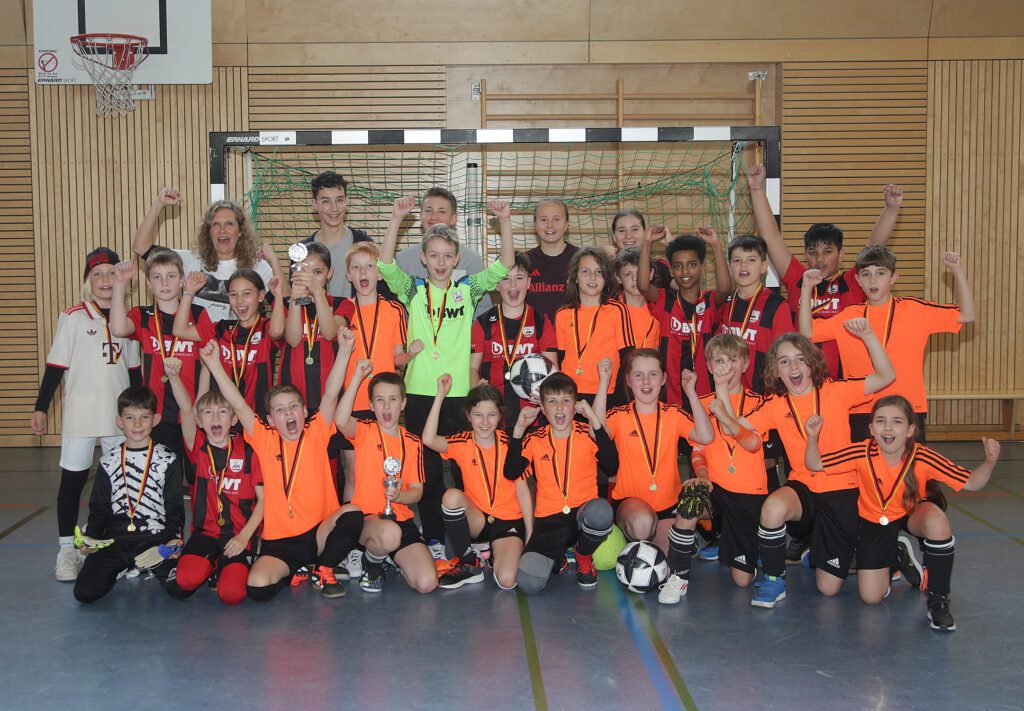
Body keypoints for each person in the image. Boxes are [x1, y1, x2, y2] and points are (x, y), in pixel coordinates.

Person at [378, 196, 515, 557]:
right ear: (423, 258)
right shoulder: (413, 290)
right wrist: (395, 219)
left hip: (458, 395)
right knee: (428, 470)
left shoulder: (467, 289)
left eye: (447, 256)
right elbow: (385, 264)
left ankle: (475, 536)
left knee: (467, 467)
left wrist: (504, 221)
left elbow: (506, 263)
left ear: (457, 260)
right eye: (434, 255)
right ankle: (436, 540)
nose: (440, 262)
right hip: (420, 392)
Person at [805, 395, 1001, 631]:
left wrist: (989, 462)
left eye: (897, 421)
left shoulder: (922, 456)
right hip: (875, 521)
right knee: (871, 598)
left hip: (911, 512)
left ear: (910, 430)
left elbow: (971, 482)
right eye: (881, 421)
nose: (888, 427)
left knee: (937, 522)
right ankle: (897, 554)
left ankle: (938, 600)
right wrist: (813, 437)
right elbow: (814, 464)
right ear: (871, 429)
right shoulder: (860, 453)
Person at [737, 329, 895, 608]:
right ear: (775, 370)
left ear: (812, 364)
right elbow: (736, 426)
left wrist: (869, 336)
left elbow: (886, 376)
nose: (793, 367)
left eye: (800, 359)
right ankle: (773, 580)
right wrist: (722, 387)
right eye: (784, 361)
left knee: (828, 589)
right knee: (773, 507)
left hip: (841, 490)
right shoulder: (775, 405)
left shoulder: (836, 391)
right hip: (804, 488)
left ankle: (886, 551)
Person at [199, 331, 351, 602]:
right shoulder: (264, 438)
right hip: (281, 541)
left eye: (293, 407)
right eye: (280, 410)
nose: (288, 413)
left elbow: (330, 393)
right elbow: (238, 404)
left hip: (319, 534)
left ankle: (323, 567)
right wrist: (214, 365)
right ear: (270, 419)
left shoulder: (316, 431)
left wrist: (345, 350)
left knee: (352, 515)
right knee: (257, 588)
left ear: (305, 412)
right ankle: (295, 570)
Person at [31, 247, 141, 582]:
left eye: (111, 273)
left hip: (119, 420)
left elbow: (134, 373)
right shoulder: (73, 317)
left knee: (121, 486)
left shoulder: (129, 321)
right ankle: (66, 549)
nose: (105, 280)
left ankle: (118, 547)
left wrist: (142, 411)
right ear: (87, 281)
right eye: (97, 274)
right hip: (80, 416)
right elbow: (55, 366)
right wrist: (41, 407)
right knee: (73, 482)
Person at [800, 247, 975, 442]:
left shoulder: (916, 310)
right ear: (858, 280)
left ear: (894, 278)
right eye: (866, 274)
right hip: (862, 409)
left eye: (880, 273)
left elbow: (967, 315)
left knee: (910, 463)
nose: (873, 281)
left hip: (906, 407)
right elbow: (807, 333)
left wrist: (957, 271)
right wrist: (806, 289)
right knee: (864, 463)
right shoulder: (849, 316)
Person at [748, 165, 902, 377]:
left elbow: (875, 245)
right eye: (813, 253)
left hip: (844, 382)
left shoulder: (853, 282)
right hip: (801, 380)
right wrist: (757, 189)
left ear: (841, 254)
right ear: (805, 254)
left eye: (828, 252)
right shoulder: (798, 278)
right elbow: (771, 237)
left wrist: (891, 209)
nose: (820, 259)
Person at [595, 351, 714, 602]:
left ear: (663, 379)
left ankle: (658, 541)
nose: (646, 382)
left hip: (667, 506)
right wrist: (603, 383)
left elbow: (705, 436)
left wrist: (691, 392)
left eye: (653, 374)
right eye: (638, 375)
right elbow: (597, 433)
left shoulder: (673, 414)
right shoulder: (620, 415)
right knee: (641, 523)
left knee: (666, 569)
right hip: (631, 504)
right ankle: (628, 535)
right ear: (628, 381)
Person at [655, 334, 767, 602]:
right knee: (691, 499)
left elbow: (753, 445)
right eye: (719, 361)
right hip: (714, 490)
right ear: (708, 366)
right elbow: (698, 451)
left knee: (742, 580)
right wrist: (702, 476)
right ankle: (678, 577)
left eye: (733, 360)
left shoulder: (759, 403)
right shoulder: (702, 403)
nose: (726, 366)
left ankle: (755, 543)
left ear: (746, 364)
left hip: (748, 494)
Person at [325, 363, 436, 594]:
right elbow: (341, 420)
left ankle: (391, 558)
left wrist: (399, 496)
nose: (386, 406)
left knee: (427, 583)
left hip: (400, 520)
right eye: (379, 400)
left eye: (393, 399)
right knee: (389, 534)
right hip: (368, 520)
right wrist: (356, 378)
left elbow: (417, 491)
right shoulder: (365, 430)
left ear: (403, 403)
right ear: (371, 405)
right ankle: (371, 560)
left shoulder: (413, 442)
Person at [161, 357, 264, 605]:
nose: (215, 417)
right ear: (199, 421)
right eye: (208, 412)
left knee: (232, 594)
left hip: (239, 535)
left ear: (234, 419)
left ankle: (222, 565)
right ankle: (211, 563)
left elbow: (265, 500)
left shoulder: (249, 451)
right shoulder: (197, 448)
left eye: (222, 412)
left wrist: (245, 537)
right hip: (206, 533)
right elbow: (187, 408)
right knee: (184, 582)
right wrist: (173, 377)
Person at [504, 373, 617, 593]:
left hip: (582, 516)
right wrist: (518, 430)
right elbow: (511, 472)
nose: (559, 408)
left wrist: (594, 419)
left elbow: (612, 466)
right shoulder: (535, 438)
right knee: (529, 583)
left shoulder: (586, 434)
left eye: (566, 401)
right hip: (549, 522)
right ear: (542, 409)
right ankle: (557, 556)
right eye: (552, 402)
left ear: (575, 407)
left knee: (601, 511)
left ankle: (583, 556)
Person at [73, 386, 185, 603]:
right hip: (116, 537)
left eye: (145, 417)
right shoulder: (109, 461)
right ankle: (124, 566)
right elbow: (99, 508)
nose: (137, 424)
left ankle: (148, 564)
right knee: (84, 593)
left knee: (181, 587)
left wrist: (171, 541)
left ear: (156, 419)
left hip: (155, 537)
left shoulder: (168, 459)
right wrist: (92, 537)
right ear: (119, 421)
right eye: (130, 417)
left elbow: (174, 506)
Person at [423, 377, 534, 590]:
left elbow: (523, 492)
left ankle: (494, 554)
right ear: (468, 416)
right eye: (478, 415)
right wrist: (440, 395)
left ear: (500, 416)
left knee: (507, 580)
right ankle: (470, 561)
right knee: (451, 497)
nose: (484, 422)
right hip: (478, 520)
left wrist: (530, 535)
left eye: (491, 415)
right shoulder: (462, 441)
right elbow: (428, 439)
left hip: (508, 522)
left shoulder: (512, 445)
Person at [335, 241, 415, 511]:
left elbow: (397, 359)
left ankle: (385, 518)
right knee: (354, 471)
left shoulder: (394, 310)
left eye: (369, 266)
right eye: (356, 267)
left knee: (385, 468)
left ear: (379, 273)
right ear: (348, 274)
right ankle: (352, 528)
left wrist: (412, 354)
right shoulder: (344, 311)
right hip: (354, 402)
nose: (363, 272)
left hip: (385, 403)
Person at [109, 250, 201, 482]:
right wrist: (119, 285)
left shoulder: (198, 314)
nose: (165, 283)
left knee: (197, 475)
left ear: (182, 280)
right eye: (157, 277)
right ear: (149, 284)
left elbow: (208, 359)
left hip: (192, 410)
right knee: (163, 476)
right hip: (159, 412)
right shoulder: (143, 315)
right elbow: (118, 329)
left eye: (171, 276)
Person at [131, 188, 274, 322]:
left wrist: (273, 260)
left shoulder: (258, 267)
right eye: (216, 225)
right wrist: (159, 204)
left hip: (243, 340)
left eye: (229, 224)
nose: (222, 230)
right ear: (208, 231)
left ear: (240, 231)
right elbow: (140, 247)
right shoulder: (189, 261)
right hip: (199, 339)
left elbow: (283, 303)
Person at [174, 269, 285, 421]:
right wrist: (188, 293)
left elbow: (277, 331)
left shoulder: (265, 328)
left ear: (260, 296)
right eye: (233, 294)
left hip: (256, 419)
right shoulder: (221, 329)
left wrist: (278, 296)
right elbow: (180, 330)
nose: (239, 301)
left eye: (246, 294)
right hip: (222, 420)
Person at [638, 226, 730, 402]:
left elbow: (725, 289)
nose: (685, 271)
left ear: (702, 267)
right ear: (671, 271)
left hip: (705, 392)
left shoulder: (709, 301)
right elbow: (643, 286)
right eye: (678, 266)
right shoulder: (666, 301)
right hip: (672, 395)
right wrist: (647, 243)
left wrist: (716, 245)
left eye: (692, 265)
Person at [471, 251, 558, 428]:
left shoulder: (541, 322)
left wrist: (546, 393)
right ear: (496, 284)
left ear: (529, 283)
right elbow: (472, 367)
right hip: (493, 417)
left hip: (532, 416)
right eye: (505, 278)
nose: (512, 284)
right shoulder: (483, 323)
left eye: (519, 278)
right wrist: (475, 388)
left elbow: (553, 370)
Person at [394, 186, 491, 316]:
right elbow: (398, 311)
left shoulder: (472, 260)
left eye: (442, 211)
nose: (434, 216)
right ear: (421, 216)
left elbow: (482, 311)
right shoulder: (403, 259)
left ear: (453, 219)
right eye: (428, 210)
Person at [554, 247, 633, 404]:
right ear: (575, 277)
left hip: (608, 393)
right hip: (571, 394)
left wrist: (619, 395)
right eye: (585, 271)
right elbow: (561, 357)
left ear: (606, 278)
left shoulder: (617, 310)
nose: (593, 277)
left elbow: (627, 356)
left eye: (599, 272)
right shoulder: (562, 314)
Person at [718, 234, 794, 395]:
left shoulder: (776, 305)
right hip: (729, 394)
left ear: (764, 266)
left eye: (751, 260)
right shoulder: (724, 303)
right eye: (737, 261)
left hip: (764, 396)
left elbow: (784, 354)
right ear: (729, 268)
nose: (743, 265)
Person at [299, 171, 375, 299]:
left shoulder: (363, 242)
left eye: (339, 200)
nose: (334, 208)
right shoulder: (302, 251)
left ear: (346, 202)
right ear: (315, 205)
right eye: (325, 201)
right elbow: (294, 299)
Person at [526, 198, 580, 324]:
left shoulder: (581, 259)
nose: (550, 225)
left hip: (571, 333)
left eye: (556, 219)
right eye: (543, 220)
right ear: (535, 225)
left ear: (566, 224)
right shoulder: (525, 261)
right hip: (534, 333)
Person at [607, 208, 671, 288]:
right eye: (622, 230)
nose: (628, 236)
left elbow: (682, 288)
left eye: (635, 229)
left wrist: (670, 245)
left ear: (645, 233)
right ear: (614, 237)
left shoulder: (659, 267)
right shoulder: (605, 269)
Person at [612, 248, 661, 351]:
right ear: (618, 278)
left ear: (651, 274)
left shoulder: (660, 306)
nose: (635, 278)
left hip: (652, 360)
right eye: (628, 274)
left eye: (640, 272)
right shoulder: (611, 309)